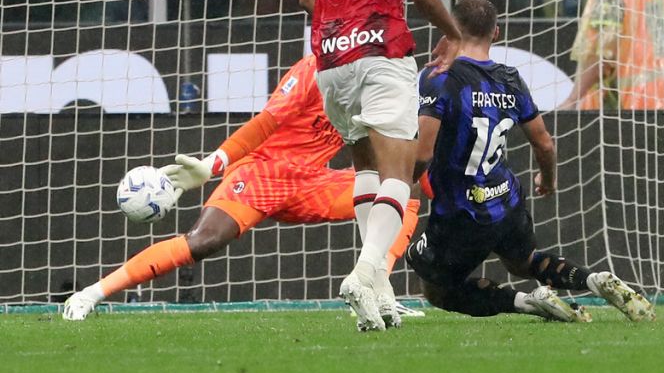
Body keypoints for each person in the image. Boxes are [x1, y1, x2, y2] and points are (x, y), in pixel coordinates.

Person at [61, 55, 422, 321]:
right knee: (204, 242)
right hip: (262, 173)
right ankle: (92, 294)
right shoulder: (313, 70)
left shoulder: (377, 76)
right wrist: (211, 163)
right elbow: (263, 124)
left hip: (311, 180)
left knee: (403, 196)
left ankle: (379, 289)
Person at [294, 0, 462, 332]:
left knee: (364, 165)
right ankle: (367, 272)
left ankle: (383, 296)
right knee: (400, 174)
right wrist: (453, 33)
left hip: (330, 58)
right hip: (383, 49)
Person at [408, 0, 655, 323]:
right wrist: (547, 179)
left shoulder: (439, 76)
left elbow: (423, 153)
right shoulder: (510, 79)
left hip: (461, 210)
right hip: (506, 199)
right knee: (525, 261)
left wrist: (398, 185)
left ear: (451, 27)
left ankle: (528, 302)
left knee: (436, 288)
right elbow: (545, 144)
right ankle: (593, 280)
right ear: (496, 33)